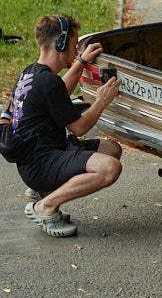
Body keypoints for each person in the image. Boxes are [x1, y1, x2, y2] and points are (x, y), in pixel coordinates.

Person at [9, 14, 122, 237]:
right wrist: (101, 101)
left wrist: (81, 62)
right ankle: (46, 206)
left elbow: (60, 91)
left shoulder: (32, 73)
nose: (75, 50)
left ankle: (44, 191)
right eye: (73, 44)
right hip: (42, 162)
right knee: (110, 168)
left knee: (112, 150)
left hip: (38, 155)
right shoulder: (47, 81)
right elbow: (79, 128)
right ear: (59, 44)